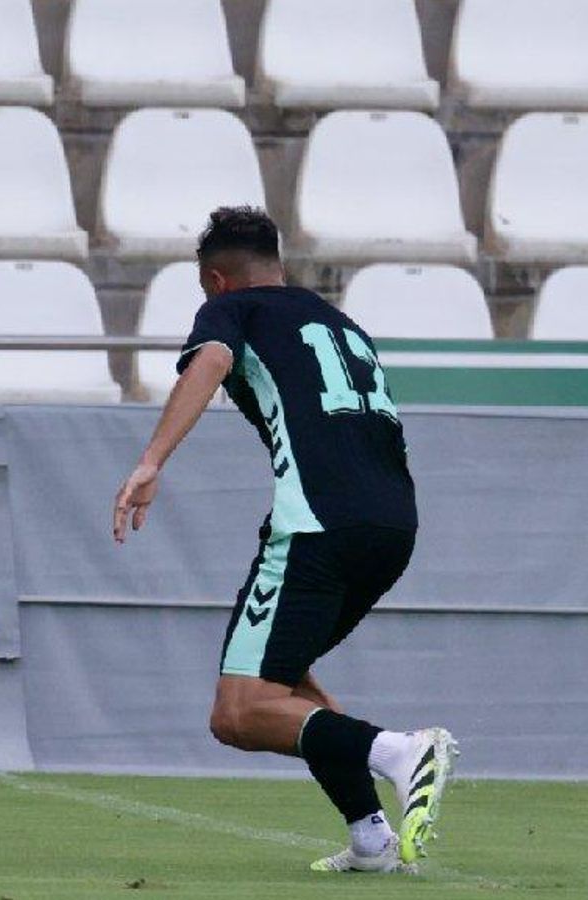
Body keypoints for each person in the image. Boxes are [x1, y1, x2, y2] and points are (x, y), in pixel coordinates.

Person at [112, 207, 456, 873]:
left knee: (237, 713)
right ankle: (371, 837)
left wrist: (151, 459)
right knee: (280, 675)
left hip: (316, 524)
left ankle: (399, 751)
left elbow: (209, 361)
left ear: (216, 281)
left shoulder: (234, 312)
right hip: (392, 526)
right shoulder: (341, 323)